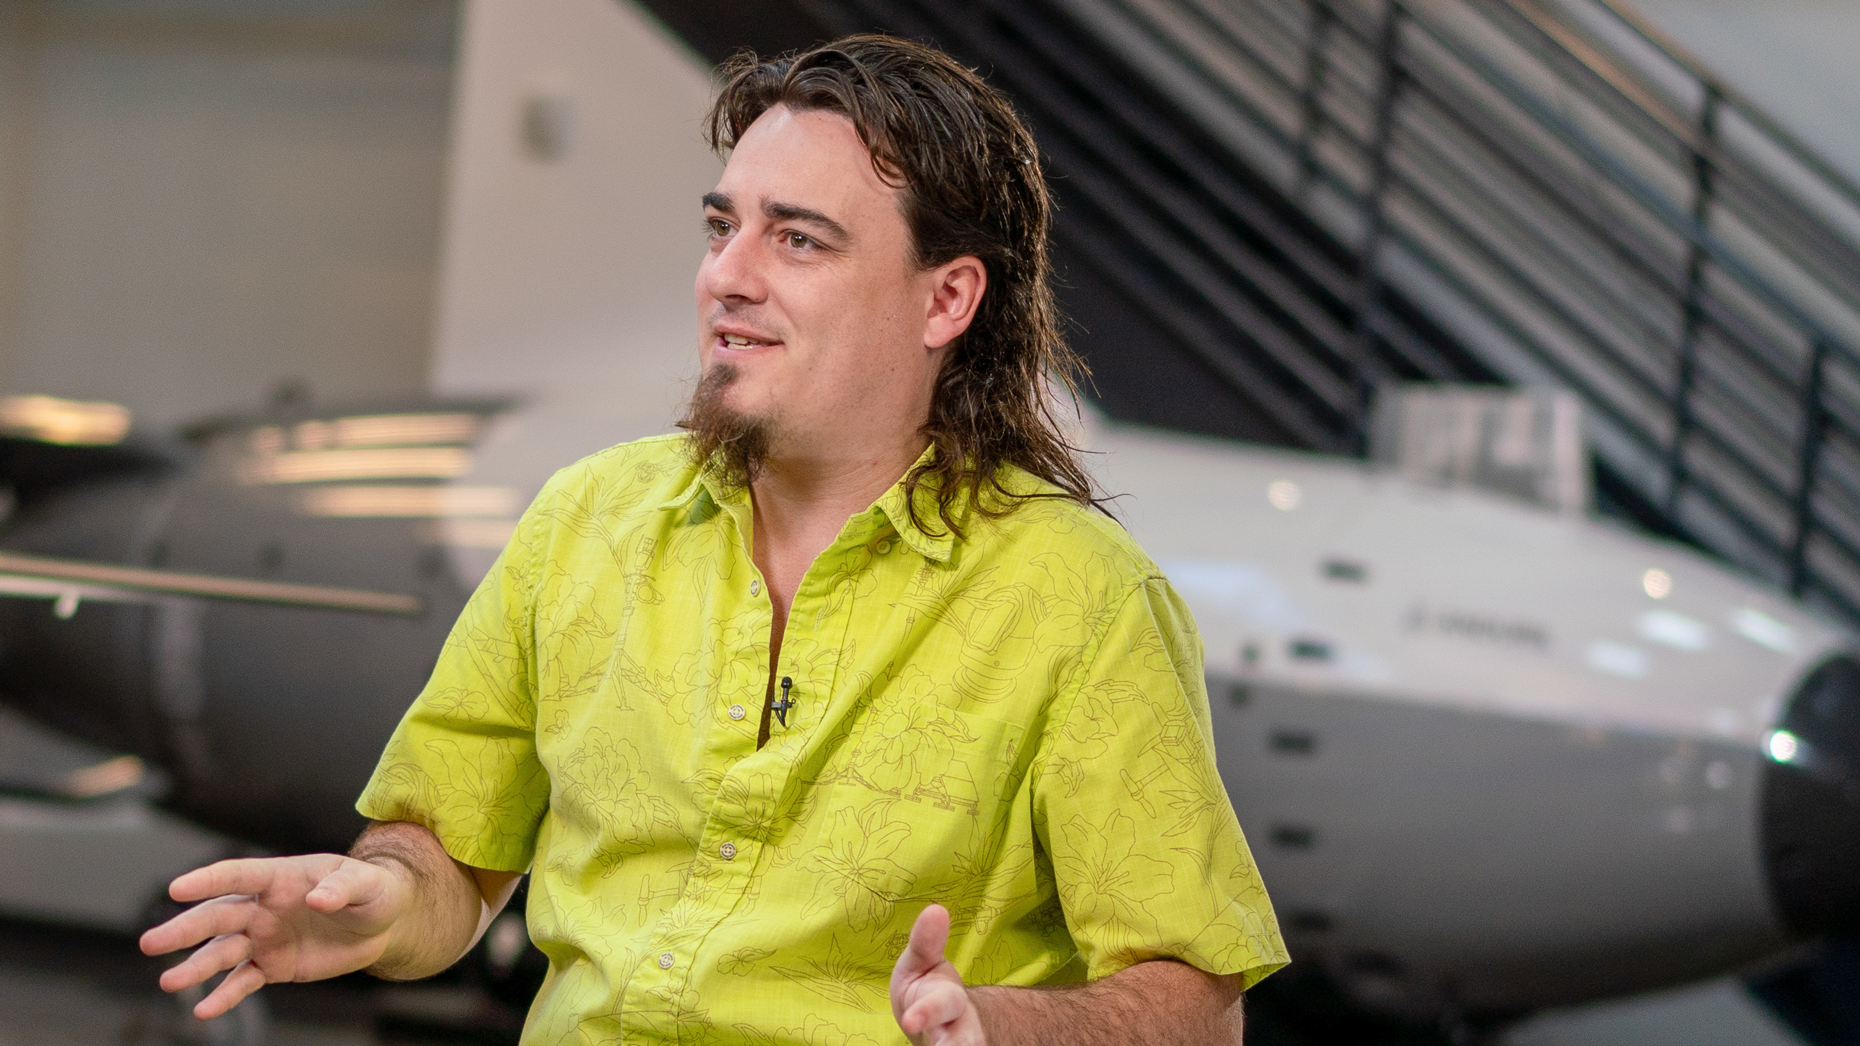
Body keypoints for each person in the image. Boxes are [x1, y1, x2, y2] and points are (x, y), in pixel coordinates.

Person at [140, 35, 1287, 1046]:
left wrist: (1003, 1022)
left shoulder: (1082, 600)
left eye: (799, 240)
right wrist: (386, 900)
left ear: (946, 301)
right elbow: (450, 856)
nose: (726, 277)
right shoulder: (584, 521)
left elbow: (1195, 1006)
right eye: (722, 227)